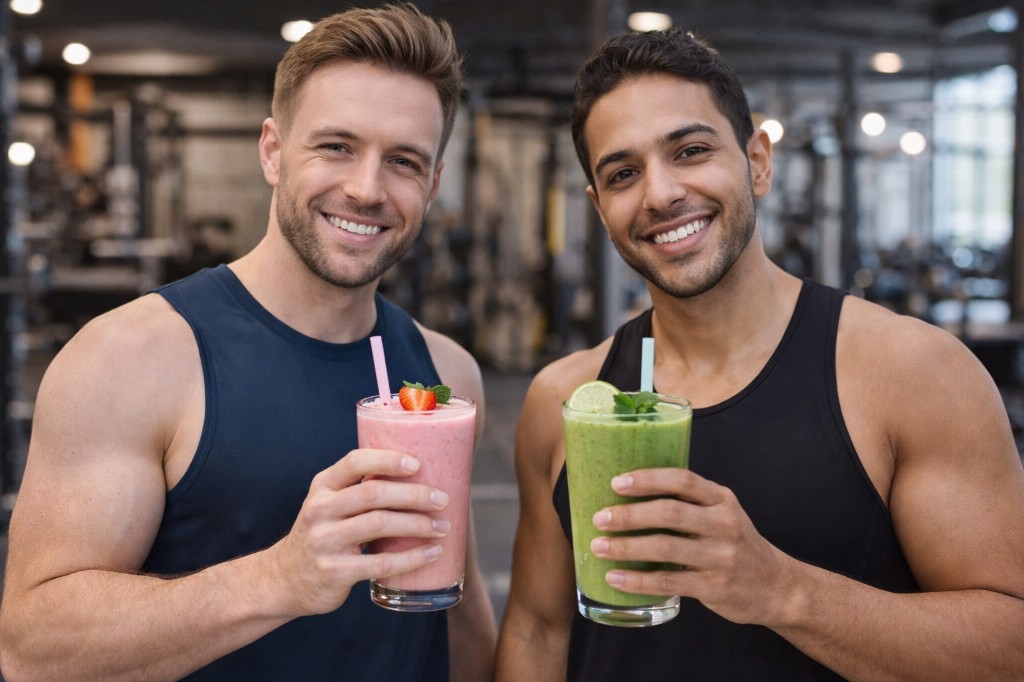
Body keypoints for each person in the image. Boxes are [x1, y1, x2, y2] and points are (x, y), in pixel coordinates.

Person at [496, 27, 1024, 681]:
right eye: (624, 173)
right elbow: (538, 631)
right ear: (600, 209)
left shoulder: (913, 374)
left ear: (758, 162)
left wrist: (779, 590)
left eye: (690, 150)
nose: (660, 193)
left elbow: (1010, 647)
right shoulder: (563, 401)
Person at [0, 4, 496, 680]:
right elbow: (33, 651)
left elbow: (458, 621)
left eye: (404, 161)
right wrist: (278, 580)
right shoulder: (130, 360)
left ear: (433, 185)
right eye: (336, 146)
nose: (365, 188)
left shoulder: (446, 377)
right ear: (272, 151)